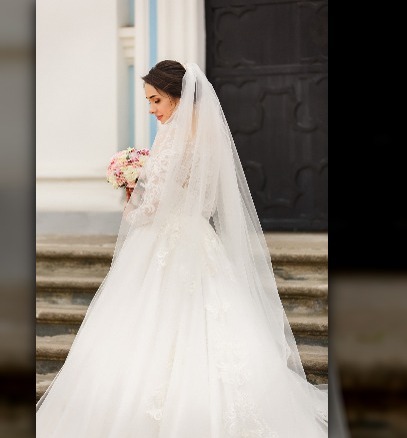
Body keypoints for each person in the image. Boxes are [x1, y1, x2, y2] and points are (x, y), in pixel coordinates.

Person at [36, 61, 329, 437]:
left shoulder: (173, 137)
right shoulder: (209, 137)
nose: (152, 109)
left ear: (177, 95)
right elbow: (204, 204)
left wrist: (131, 201)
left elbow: (151, 208)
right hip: (197, 239)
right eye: (149, 101)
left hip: (165, 241)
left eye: (156, 100)